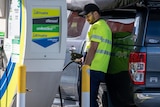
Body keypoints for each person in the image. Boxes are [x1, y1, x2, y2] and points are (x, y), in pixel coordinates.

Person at [79, 3, 112, 107]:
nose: (87, 19)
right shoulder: (104, 26)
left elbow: (93, 47)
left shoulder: (97, 26)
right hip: (99, 68)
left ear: (96, 14)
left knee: (87, 98)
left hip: (93, 68)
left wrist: (85, 66)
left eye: (88, 16)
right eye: (85, 17)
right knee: (91, 97)